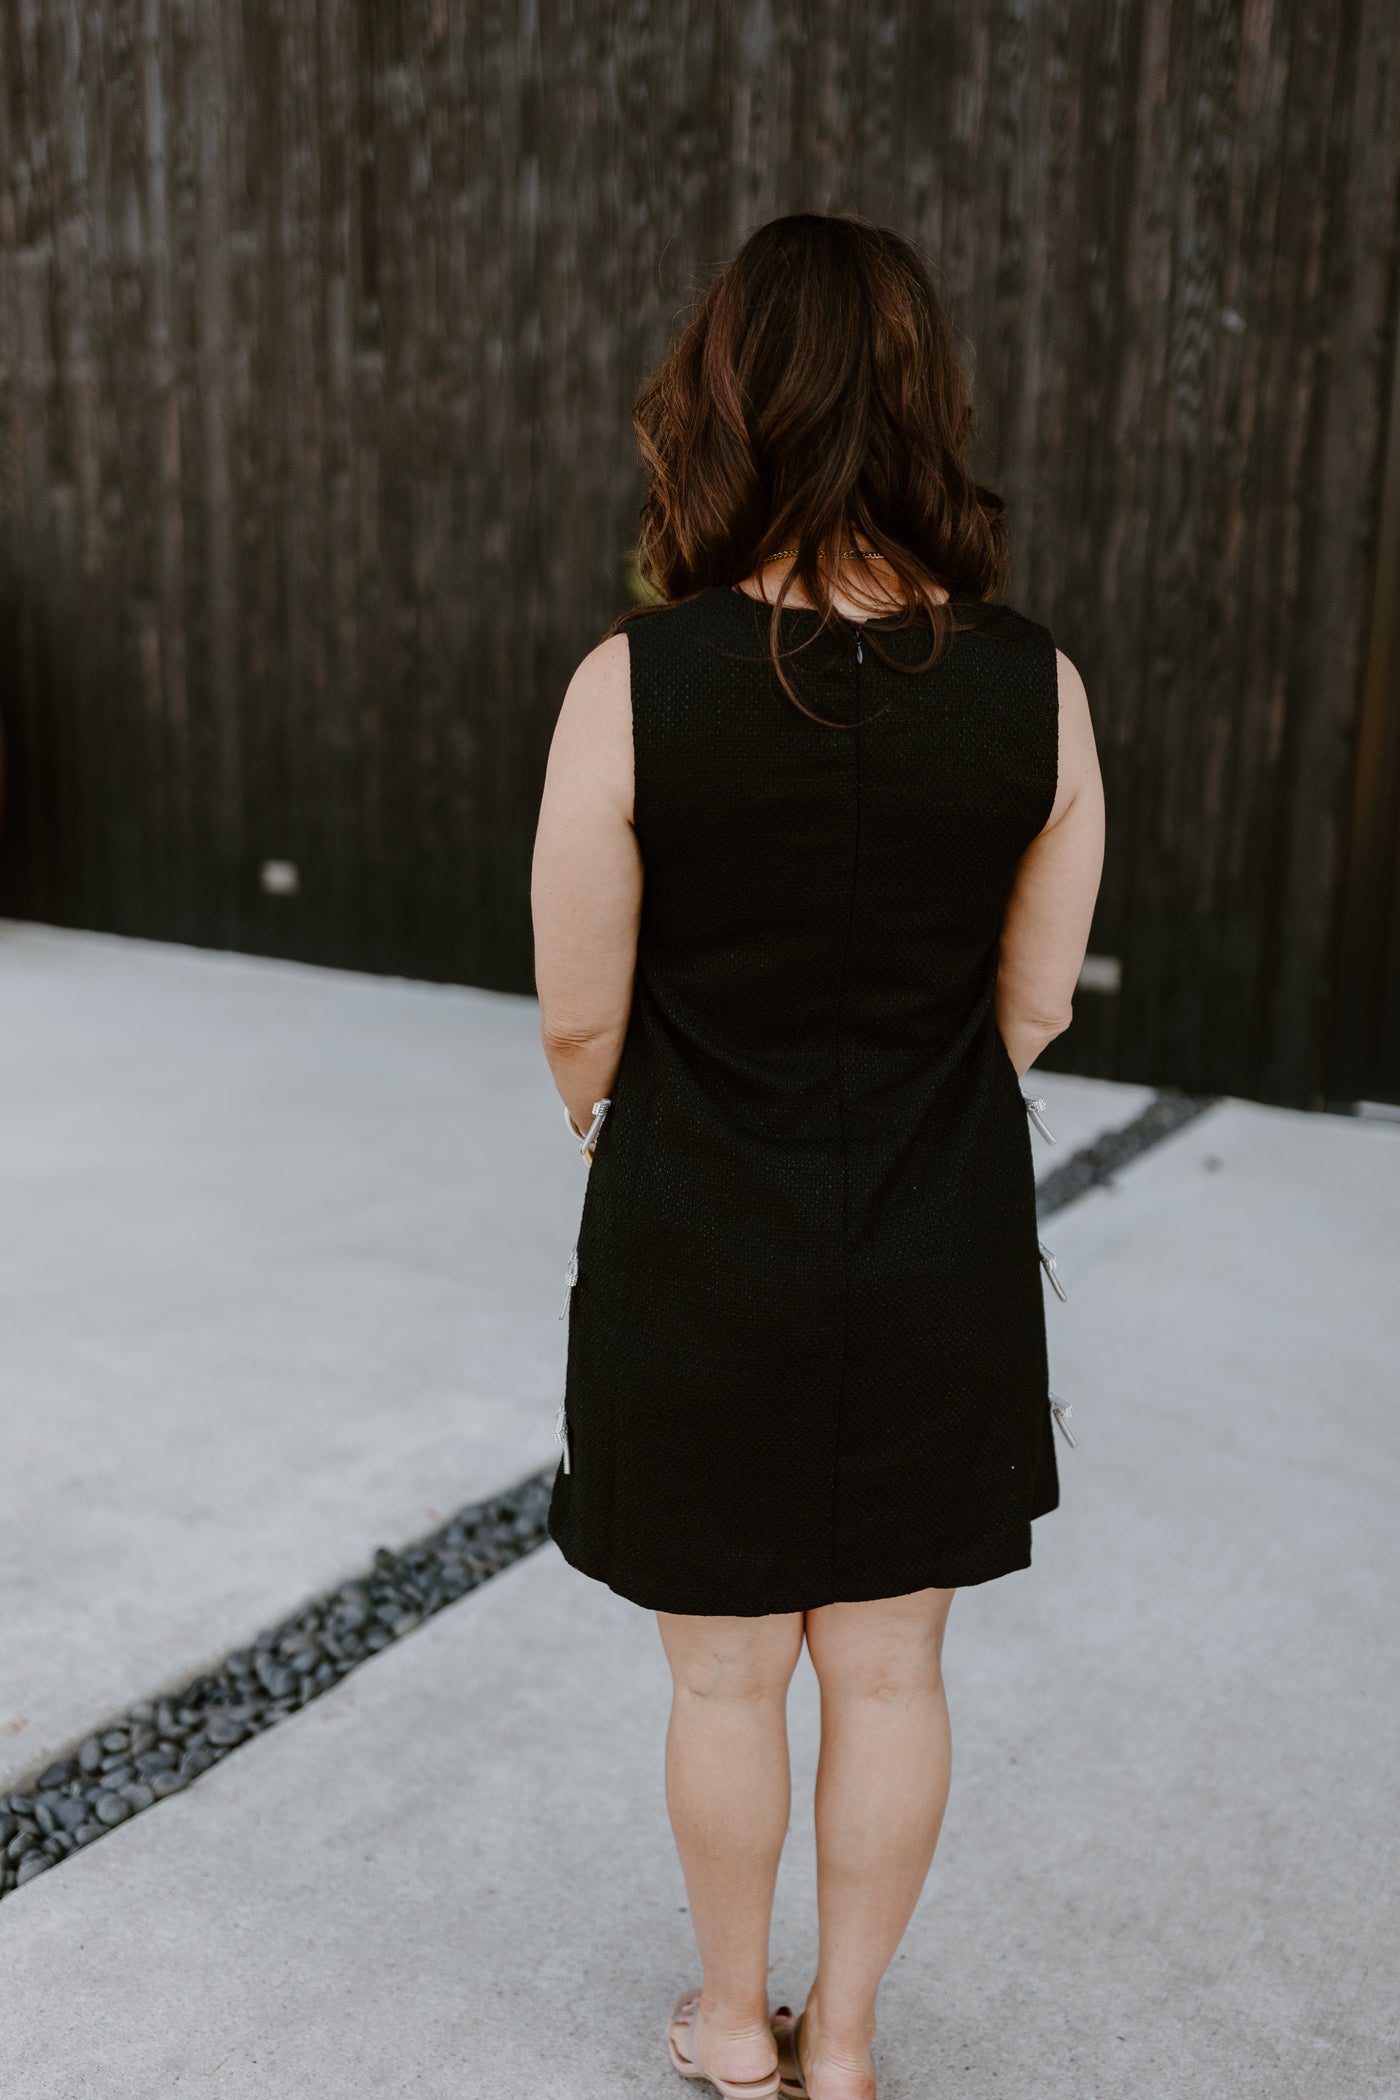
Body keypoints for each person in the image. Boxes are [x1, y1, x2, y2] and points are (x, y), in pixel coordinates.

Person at [530, 212, 1105, 2100]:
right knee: (890, 1676)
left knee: (720, 1681)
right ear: (927, 410)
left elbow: (580, 1029)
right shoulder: (1041, 691)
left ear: (718, 412)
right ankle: (845, 2041)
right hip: (934, 1236)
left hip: (702, 1233)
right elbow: (1034, 1006)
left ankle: (732, 2027)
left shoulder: (634, 683)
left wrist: (680, 1113)